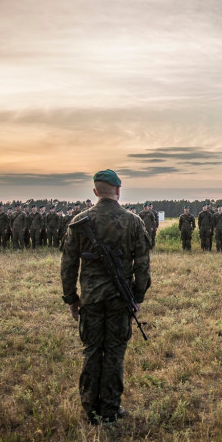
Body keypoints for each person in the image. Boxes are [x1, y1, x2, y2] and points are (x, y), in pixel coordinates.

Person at [61, 169, 151, 424]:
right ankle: (110, 409)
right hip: (119, 301)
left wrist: (71, 298)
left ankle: (90, 409)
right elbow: (142, 264)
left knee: (91, 350)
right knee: (114, 351)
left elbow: (68, 264)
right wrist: (138, 297)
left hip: (90, 298)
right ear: (118, 191)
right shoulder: (133, 221)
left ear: (95, 192)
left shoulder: (79, 221)